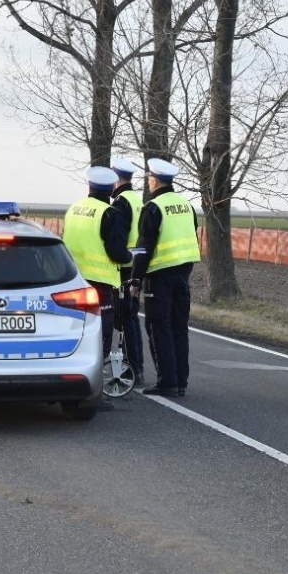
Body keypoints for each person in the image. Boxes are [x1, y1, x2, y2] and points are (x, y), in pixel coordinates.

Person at [128, 158, 200, 398]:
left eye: (149, 177)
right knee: (179, 326)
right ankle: (181, 380)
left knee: (159, 326)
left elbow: (144, 247)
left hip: (159, 276)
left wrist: (135, 279)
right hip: (183, 273)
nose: (148, 181)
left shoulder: (154, 207)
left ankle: (167, 381)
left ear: (154, 180)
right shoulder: (186, 205)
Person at [63, 166, 133, 409]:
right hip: (100, 285)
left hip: (72, 282)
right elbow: (116, 251)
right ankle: (95, 393)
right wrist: (129, 257)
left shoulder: (74, 209)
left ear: (89, 186)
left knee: (75, 334)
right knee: (100, 336)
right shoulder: (110, 213)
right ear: (111, 188)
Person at [109, 155, 147, 384]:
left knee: (124, 318)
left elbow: (118, 238)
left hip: (123, 268)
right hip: (135, 266)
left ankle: (131, 368)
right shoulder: (137, 199)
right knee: (131, 318)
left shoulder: (121, 203)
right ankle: (137, 367)